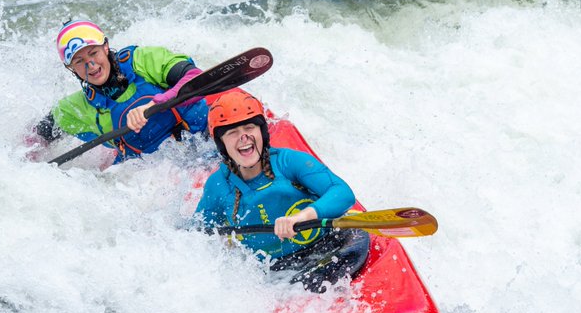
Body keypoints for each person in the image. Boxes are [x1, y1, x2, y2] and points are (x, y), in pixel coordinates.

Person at [195, 90, 370, 292]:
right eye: (232, 132)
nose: (243, 137)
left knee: (358, 236)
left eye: (249, 128)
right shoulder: (218, 186)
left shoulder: (288, 162)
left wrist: (302, 217)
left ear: (262, 133)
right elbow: (197, 233)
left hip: (328, 244)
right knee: (295, 287)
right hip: (277, 269)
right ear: (222, 144)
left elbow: (343, 193)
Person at [33, 19, 212, 164]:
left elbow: (196, 77)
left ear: (105, 46)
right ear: (70, 68)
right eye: (79, 61)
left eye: (93, 53)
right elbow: (37, 136)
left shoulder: (142, 60)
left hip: (205, 136)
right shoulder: (77, 108)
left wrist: (154, 104)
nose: (91, 65)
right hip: (159, 170)